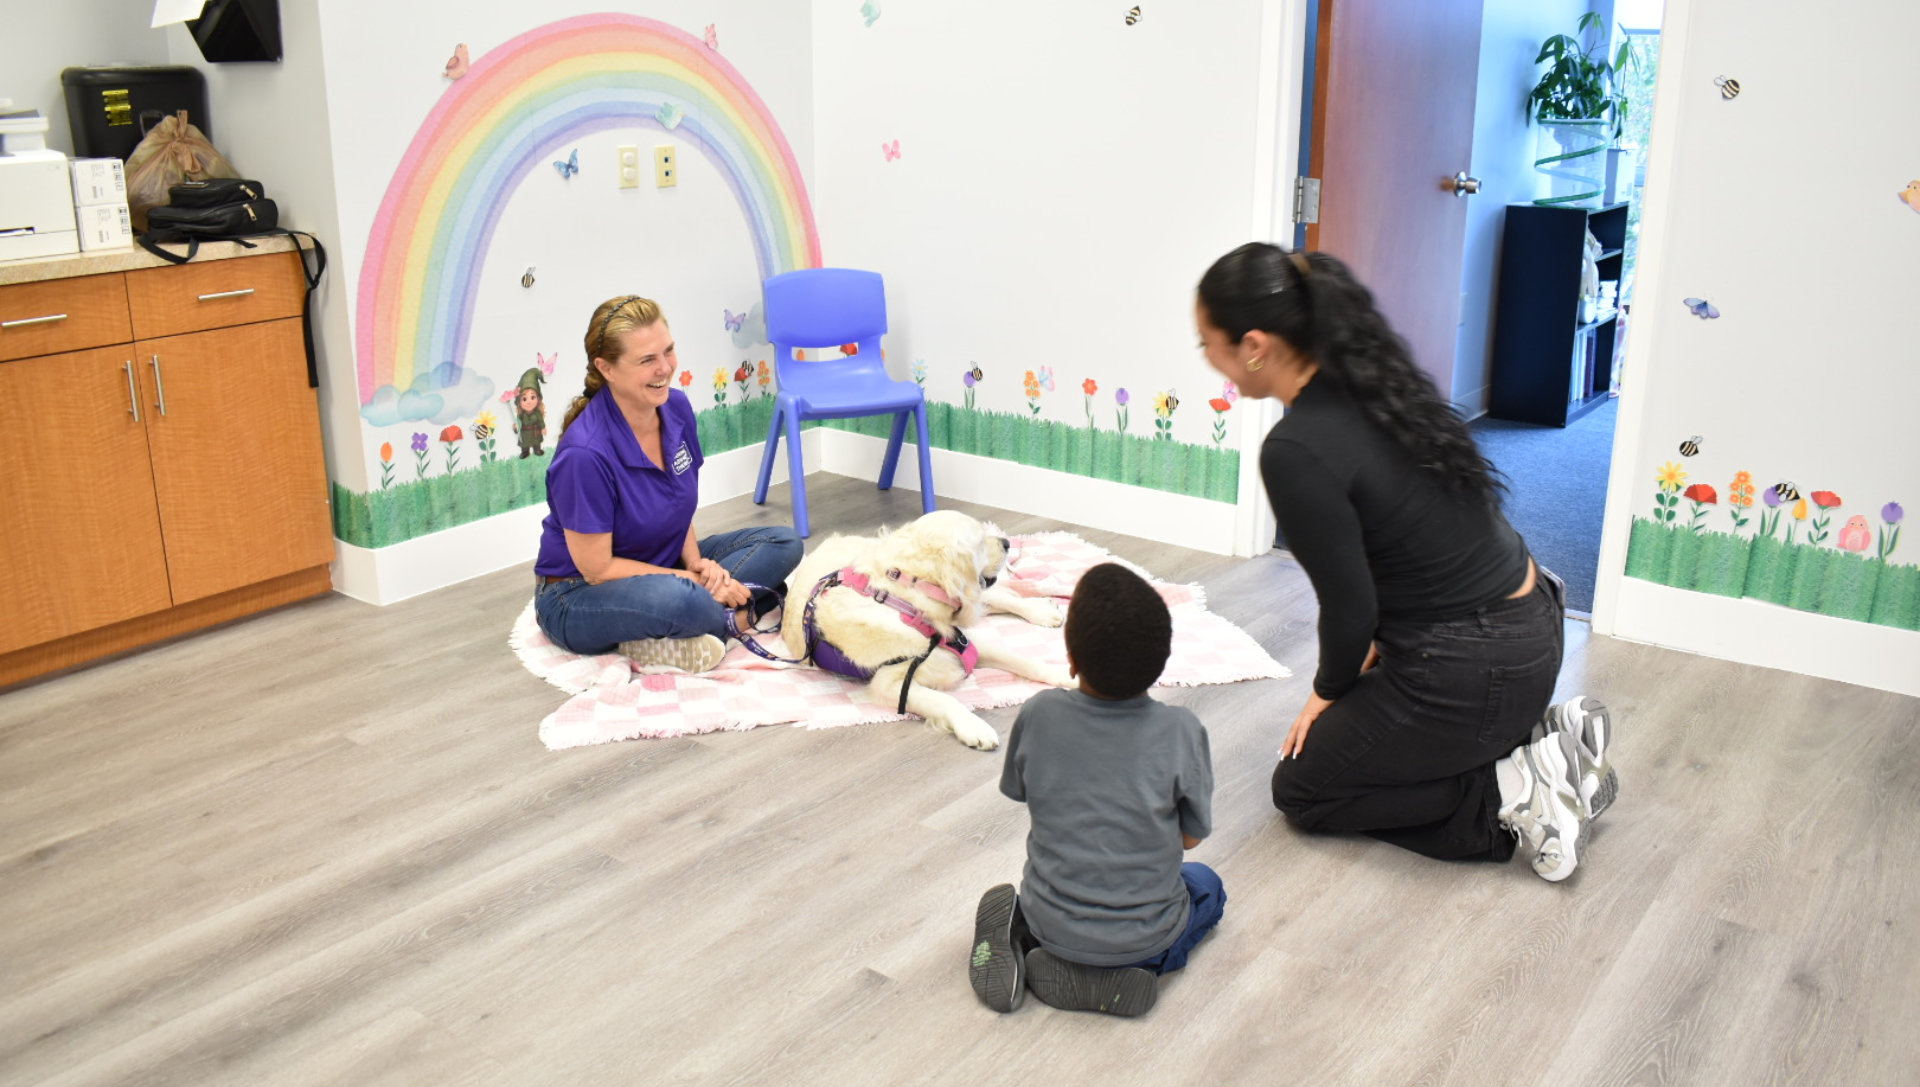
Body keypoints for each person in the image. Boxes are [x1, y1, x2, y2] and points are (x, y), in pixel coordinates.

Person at [1194, 243, 1616, 882]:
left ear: (1253, 344)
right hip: (1534, 625)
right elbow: (1403, 548)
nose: (1209, 361)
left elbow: (1350, 605)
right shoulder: (1377, 385)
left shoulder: (1296, 449)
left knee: (1304, 789)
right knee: (1367, 738)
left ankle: (1510, 790)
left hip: (1477, 664)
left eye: (1209, 345)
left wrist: (1326, 692)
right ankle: (1543, 748)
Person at [969, 563, 1223, 1018]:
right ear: (1163, 661)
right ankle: (1132, 969)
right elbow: (1190, 840)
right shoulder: (1181, 730)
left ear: (1071, 655)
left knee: (1054, 890)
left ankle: (1022, 935)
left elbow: (1025, 794)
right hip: (1143, 934)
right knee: (1207, 886)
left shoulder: (1039, 713)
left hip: (1052, 916)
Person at [532, 295, 803, 671]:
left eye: (669, 351)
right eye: (647, 360)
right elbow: (598, 570)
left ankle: (701, 622)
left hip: (661, 560)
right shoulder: (585, 454)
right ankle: (736, 615)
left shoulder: (675, 408)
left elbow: (677, 508)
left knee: (783, 542)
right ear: (606, 368)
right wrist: (692, 580)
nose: (665, 368)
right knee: (683, 600)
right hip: (577, 594)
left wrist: (698, 562)